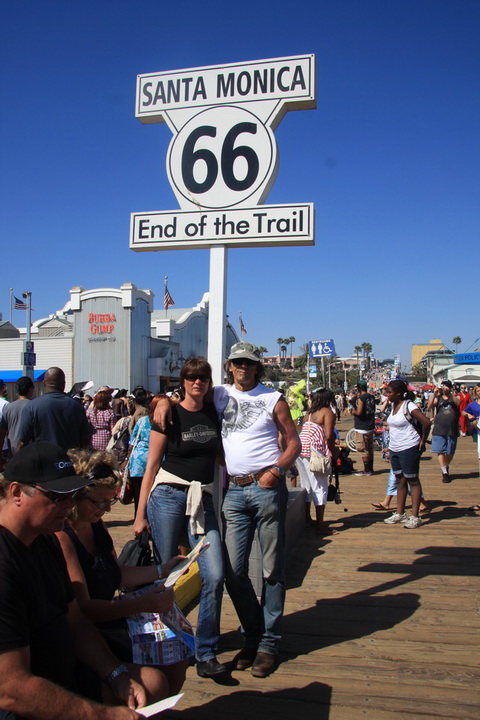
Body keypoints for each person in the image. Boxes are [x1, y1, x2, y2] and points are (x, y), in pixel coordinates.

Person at [154, 343, 301, 679]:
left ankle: (268, 644)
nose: (243, 369)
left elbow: (293, 442)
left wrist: (276, 470)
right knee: (233, 573)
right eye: (237, 364)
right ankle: (255, 633)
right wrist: (161, 399)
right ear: (229, 367)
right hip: (233, 491)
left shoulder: (272, 398)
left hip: (266, 488)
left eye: (249, 364)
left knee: (271, 570)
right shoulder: (218, 394)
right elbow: (185, 397)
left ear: (257, 368)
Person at [0, 441, 150, 720]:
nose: (69, 504)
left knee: (148, 685)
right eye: (57, 496)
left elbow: (76, 620)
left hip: (64, 674)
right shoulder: (6, 562)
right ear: (17, 492)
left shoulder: (46, 539)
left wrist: (116, 675)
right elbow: (11, 689)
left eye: (72, 494)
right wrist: (105, 715)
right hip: (21, 704)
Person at [56, 449, 187, 698]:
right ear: (75, 497)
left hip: (112, 617)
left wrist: (163, 569)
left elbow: (114, 574)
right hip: (91, 630)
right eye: (99, 502)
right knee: (156, 679)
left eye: (110, 502)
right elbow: (84, 609)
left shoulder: (96, 524)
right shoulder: (63, 536)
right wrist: (141, 603)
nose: (105, 509)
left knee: (177, 653)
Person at [134, 358, 226, 680]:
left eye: (202, 377)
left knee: (214, 574)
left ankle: (206, 651)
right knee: (167, 574)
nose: (197, 382)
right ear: (183, 381)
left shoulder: (215, 410)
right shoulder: (168, 413)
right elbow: (151, 465)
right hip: (168, 496)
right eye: (191, 377)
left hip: (204, 500)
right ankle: (168, 642)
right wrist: (139, 513)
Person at [383, 380, 431, 528]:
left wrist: (422, 440)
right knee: (400, 480)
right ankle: (400, 513)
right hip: (395, 447)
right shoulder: (392, 406)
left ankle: (415, 516)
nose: (387, 395)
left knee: (413, 480)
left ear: (398, 393)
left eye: (389, 392)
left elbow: (426, 422)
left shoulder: (408, 405)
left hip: (409, 446)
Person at [16, 367, 90, 451]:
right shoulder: (77, 407)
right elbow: (84, 440)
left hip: (42, 460)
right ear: (64, 384)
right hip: (69, 460)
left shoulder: (32, 406)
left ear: (44, 383)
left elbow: (22, 442)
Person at [297, 389, 339, 534]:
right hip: (315, 451)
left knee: (307, 485)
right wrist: (334, 452)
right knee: (320, 486)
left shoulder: (309, 413)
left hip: (301, 450)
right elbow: (328, 435)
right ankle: (320, 526)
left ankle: (307, 518)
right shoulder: (327, 412)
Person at [427, 380, 461, 482]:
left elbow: (458, 403)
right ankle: (444, 472)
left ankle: (445, 466)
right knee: (440, 451)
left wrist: (450, 393)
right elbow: (430, 406)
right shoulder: (438, 398)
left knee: (450, 451)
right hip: (439, 428)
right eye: (444, 386)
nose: (445, 388)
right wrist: (434, 393)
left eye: (447, 386)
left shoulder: (454, 397)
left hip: (452, 428)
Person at [0, 376, 34, 466]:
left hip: (12, 451)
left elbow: (2, 433)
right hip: (31, 451)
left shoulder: (8, 407)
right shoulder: (35, 406)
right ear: (31, 389)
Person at [351, 380, 376, 476]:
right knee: (369, 448)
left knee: (362, 448)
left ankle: (366, 470)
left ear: (359, 388)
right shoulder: (371, 397)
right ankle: (370, 468)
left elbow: (359, 412)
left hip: (362, 427)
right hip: (370, 425)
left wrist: (353, 411)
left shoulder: (361, 398)